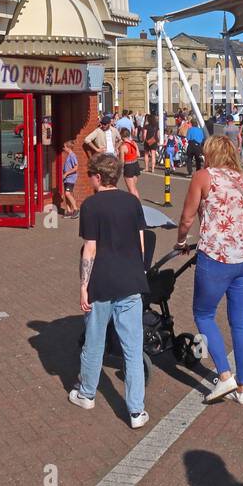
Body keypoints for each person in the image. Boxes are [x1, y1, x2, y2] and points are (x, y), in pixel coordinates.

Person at [176, 136, 243, 405]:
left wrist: (181, 241)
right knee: (240, 322)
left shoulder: (203, 176)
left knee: (203, 314)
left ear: (210, 153)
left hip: (218, 255)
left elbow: (187, 216)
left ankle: (224, 376)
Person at [70, 153, 151, 428]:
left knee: (94, 342)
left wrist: (83, 287)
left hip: (102, 282)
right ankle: (137, 411)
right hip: (130, 281)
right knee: (132, 347)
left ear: (97, 176)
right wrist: (137, 270)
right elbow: (141, 243)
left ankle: (87, 394)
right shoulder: (132, 202)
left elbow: (89, 249)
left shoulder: (91, 206)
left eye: (90, 174)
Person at [119, 129, 142, 199]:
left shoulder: (123, 147)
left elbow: (122, 161)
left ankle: (136, 206)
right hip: (135, 165)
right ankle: (138, 205)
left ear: (122, 136)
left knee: (131, 190)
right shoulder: (134, 143)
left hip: (128, 166)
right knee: (134, 188)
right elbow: (138, 155)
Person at [59, 140, 80, 217]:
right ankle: (69, 211)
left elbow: (76, 167)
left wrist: (66, 173)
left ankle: (76, 209)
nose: (63, 148)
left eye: (64, 147)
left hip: (71, 178)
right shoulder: (69, 156)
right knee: (66, 194)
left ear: (68, 147)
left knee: (68, 193)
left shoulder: (72, 156)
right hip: (67, 179)